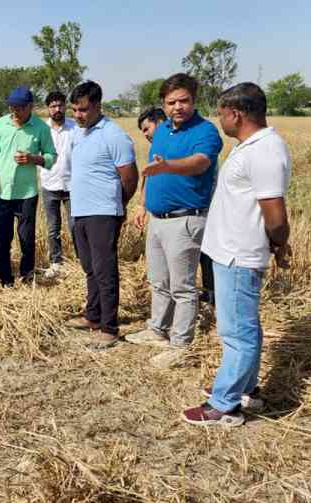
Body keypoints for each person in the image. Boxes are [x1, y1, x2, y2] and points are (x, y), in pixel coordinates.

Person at [183, 83, 291, 426]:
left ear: (236, 114)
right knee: (244, 327)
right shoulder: (253, 146)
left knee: (237, 333)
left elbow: (274, 212)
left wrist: (280, 244)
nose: (220, 120)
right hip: (230, 252)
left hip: (239, 256)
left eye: (221, 113)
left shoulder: (264, 152)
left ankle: (224, 405)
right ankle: (244, 388)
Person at [126, 74, 223, 369]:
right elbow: (152, 170)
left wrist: (169, 166)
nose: (178, 107)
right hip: (157, 219)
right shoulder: (164, 130)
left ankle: (181, 344)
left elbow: (201, 163)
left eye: (184, 101)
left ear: (194, 100)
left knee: (182, 287)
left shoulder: (206, 131)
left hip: (185, 220)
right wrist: (143, 204)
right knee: (159, 281)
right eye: (171, 102)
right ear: (163, 104)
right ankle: (157, 330)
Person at [65, 81, 138, 348]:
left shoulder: (114, 135)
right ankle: (92, 315)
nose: (77, 115)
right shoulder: (80, 133)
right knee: (90, 267)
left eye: (83, 110)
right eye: (74, 109)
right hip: (81, 210)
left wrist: (117, 206)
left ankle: (109, 326)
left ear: (98, 106)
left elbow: (129, 178)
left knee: (105, 269)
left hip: (103, 212)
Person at [136, 107, 216, 307]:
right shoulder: (159, 144)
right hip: (163, 218)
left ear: (160, 122)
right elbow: (148, 176)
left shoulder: (192, 140)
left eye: (147, 129)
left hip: (191, 213)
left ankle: (211, 296)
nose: (145, 135)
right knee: (167, 275)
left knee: (203, 258)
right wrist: (142, 205)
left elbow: (202, 167)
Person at [0, 86, 57, 286]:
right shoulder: (1, 124)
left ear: (30, 107)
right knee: (3, 239)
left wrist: (33, 158)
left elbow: (51, 157)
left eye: (19, 107)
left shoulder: (41, 128)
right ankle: (5, 279)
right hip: (3, 192)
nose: (14, 111)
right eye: (12, 107)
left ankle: (26, 276)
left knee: (26, 239)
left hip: (27, 193)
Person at [40, 91, 77, 278]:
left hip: (72, 185)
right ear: (48, 109)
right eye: (53, 106)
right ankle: (56, 262)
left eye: (61, 105)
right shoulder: (42, 129)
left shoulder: (75, 127)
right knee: (53, 227)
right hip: (49, 184)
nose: (57, 109)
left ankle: (80, 260)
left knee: (75, 226)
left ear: (65, 106)